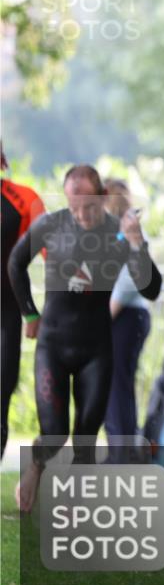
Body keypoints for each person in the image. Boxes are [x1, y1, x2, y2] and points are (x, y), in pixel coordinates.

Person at [9, 165, 162, 511]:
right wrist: (30, 313)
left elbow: (151, 289)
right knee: (54, 434)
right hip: (53, 346)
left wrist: (138, 244)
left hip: (96, 349)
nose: (81, 215)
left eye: (89, 206)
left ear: (103, 197)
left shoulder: (119, 233)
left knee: (85, 441)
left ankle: (76, 513)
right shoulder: (50, 225)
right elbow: (16, 264)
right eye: (74, 206)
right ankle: (36, 466)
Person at [102, 179, 152, 463]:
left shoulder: (130, 232)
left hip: (125, 316)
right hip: (125, 316)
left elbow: (128, 282)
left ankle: (121, 453)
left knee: (116, 384)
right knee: (117, 383)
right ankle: (124, 450)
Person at [1, 145, 45, 459]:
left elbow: (52, 250)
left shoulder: (24, 199)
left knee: (1, 396)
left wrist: (31, 313)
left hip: (6, 313)